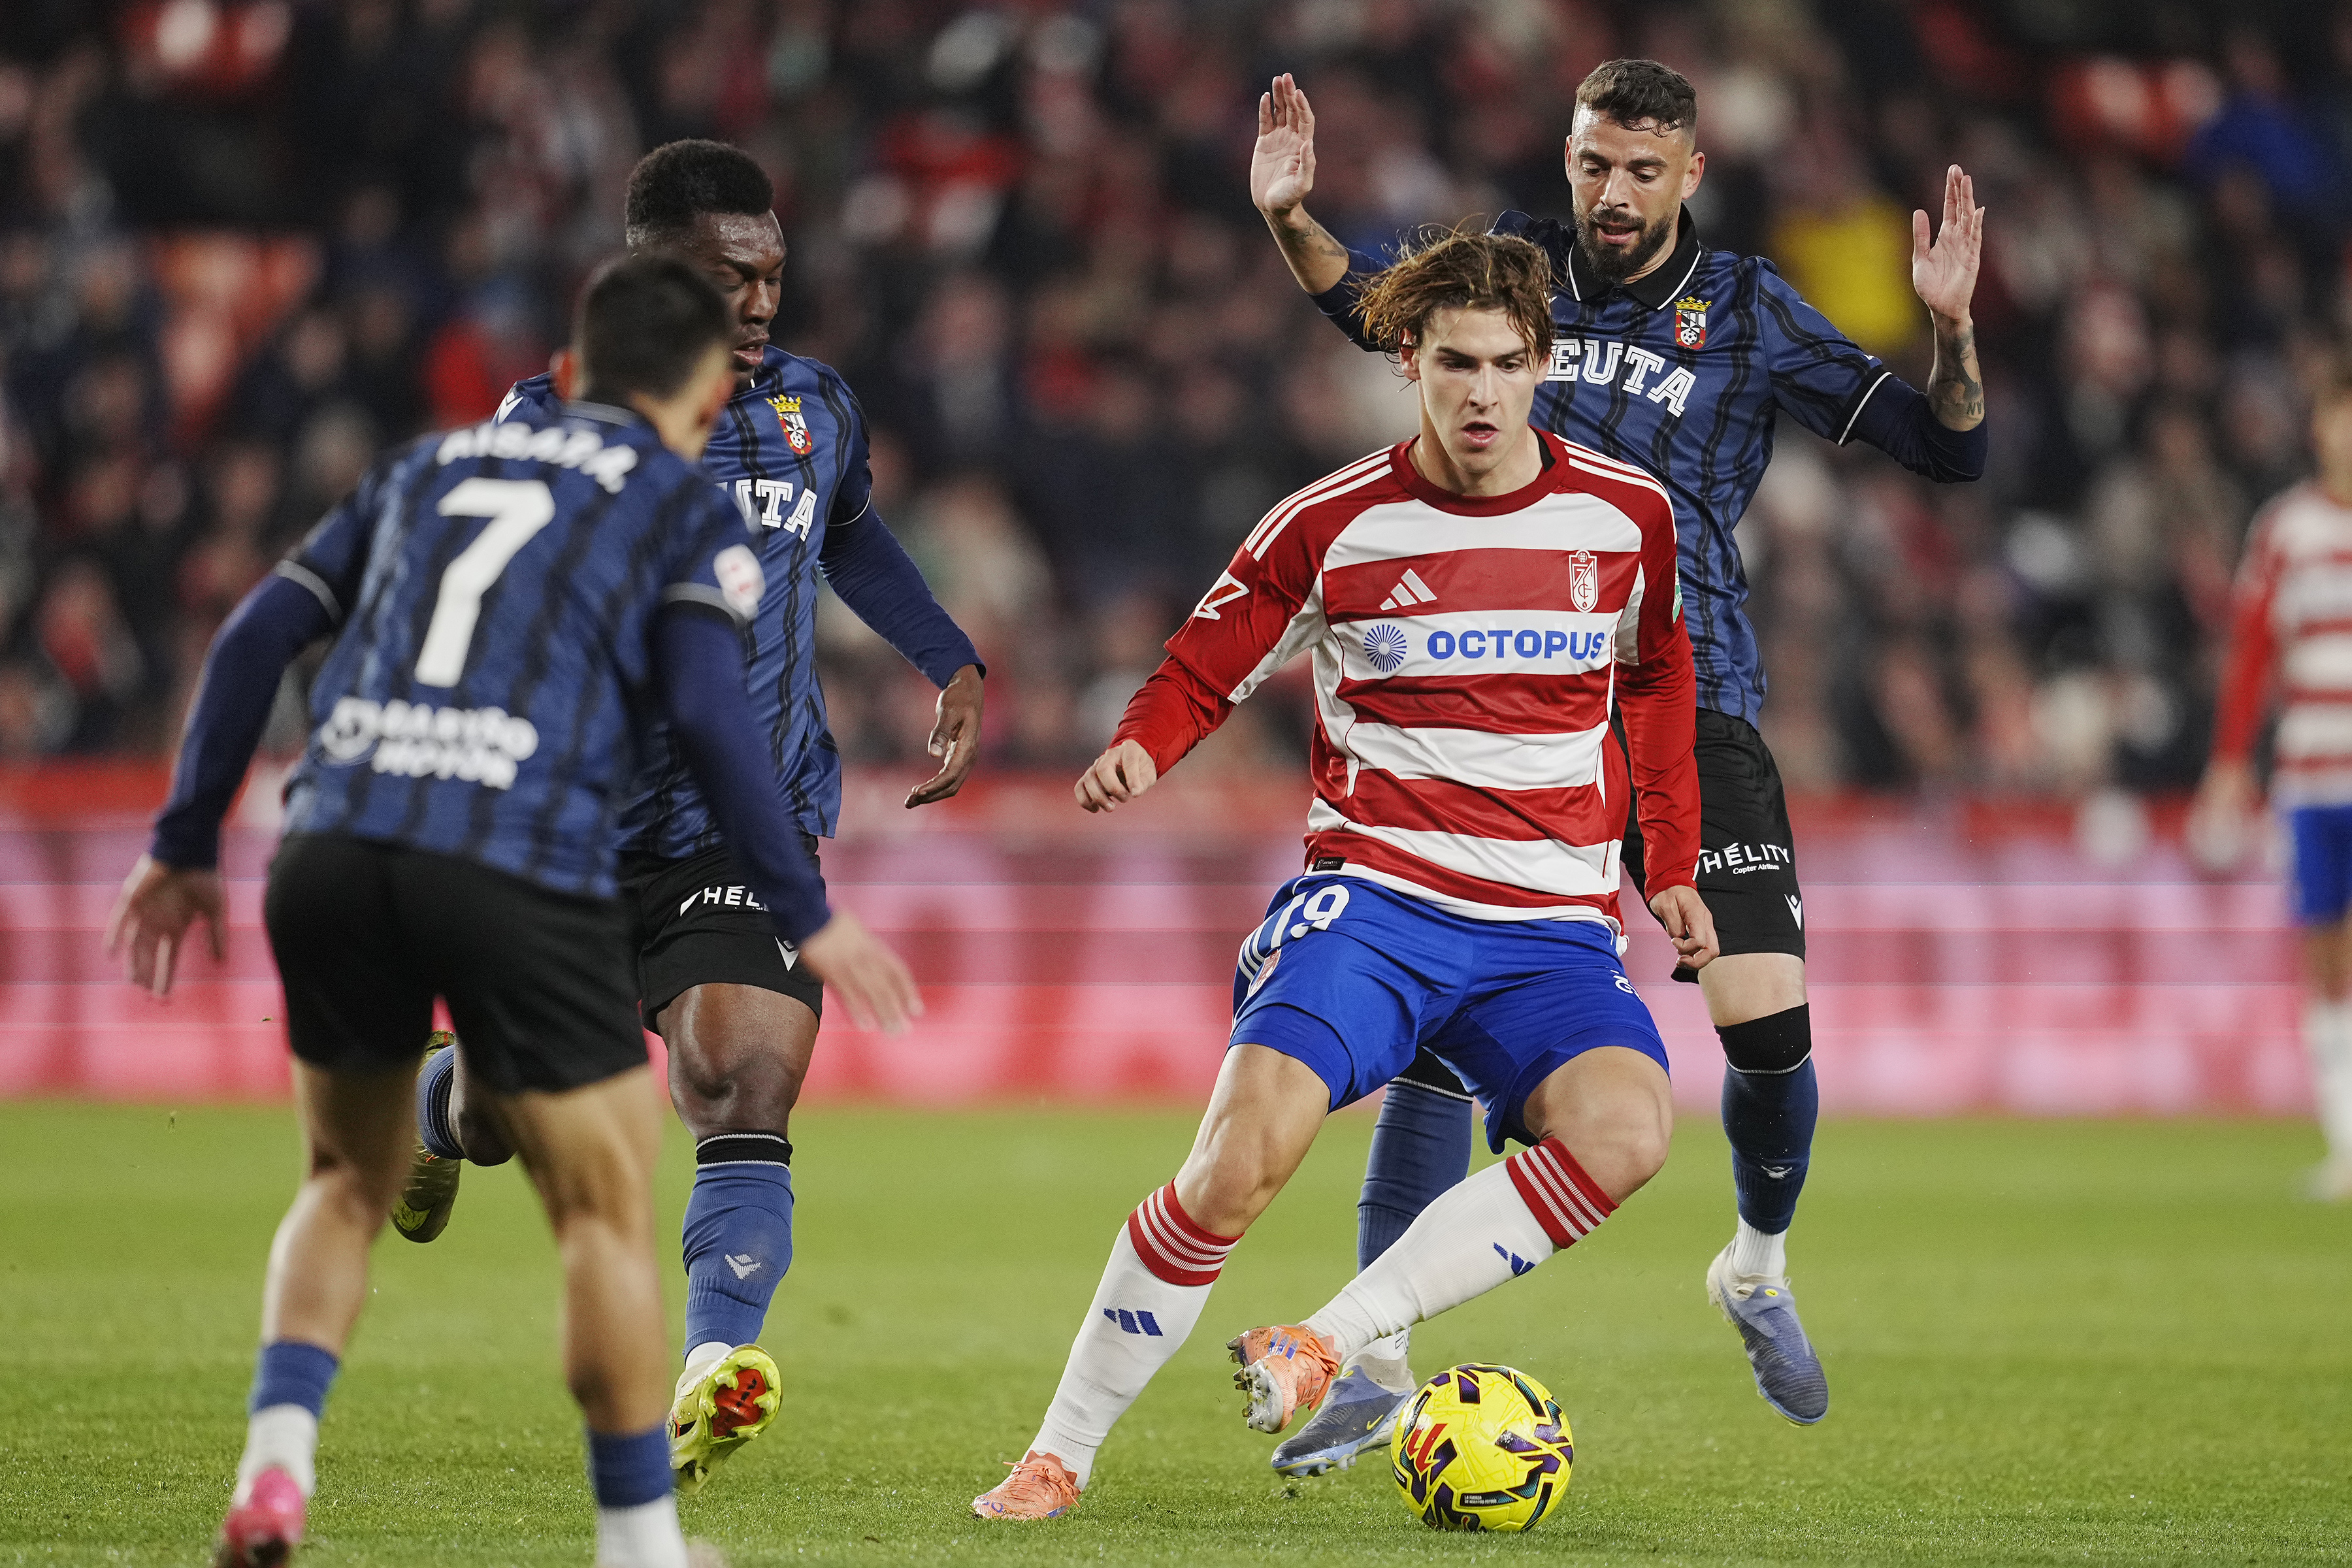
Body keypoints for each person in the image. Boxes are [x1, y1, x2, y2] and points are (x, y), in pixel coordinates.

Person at [104, 255, 921, 1568]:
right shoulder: (680, 509)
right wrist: (805, 904)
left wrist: (184, 840)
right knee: (599, 1206)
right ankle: (641, 1542)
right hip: (507, 846)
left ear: (576, 370)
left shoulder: (428, 466)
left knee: (338, 1183)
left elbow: (258, 635)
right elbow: (717, 718)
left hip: (332, 840)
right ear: (710, 388)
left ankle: (273, 1475)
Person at [1245, 57, 1989, 1454]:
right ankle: (1372, 1351)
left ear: (1691, 174)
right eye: (1596, 164)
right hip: (1522, 706)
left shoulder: (1754, 313)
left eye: (1644, 170)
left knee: (1767, 1031)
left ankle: (1754, 1264)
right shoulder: (1514, 274)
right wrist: (1293, 220)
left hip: (1691, 701)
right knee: (1443, 1046)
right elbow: (1374, 306)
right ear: (1571, 157)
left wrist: (1949, 336)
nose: (1615, 194)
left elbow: (1949, 451)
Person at [972, 229, 1716, 1521]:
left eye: (1503, 364)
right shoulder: (1332, 523)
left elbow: (1655, 678)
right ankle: (1061, 1452)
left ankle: (1330, 1339)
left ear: (1542, 363)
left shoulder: (1625, 515)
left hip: (1548, 930)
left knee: (1632, 1128)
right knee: (1239, 1162)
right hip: (1376, 902)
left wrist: (1676, 860)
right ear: (1409, 366)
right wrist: (1145, 749)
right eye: (1450, 364)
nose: (1479, 393)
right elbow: (1208, 660)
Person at [395, 140, 986, 1495]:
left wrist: (947, 656)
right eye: (733, 276)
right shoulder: (550, 421)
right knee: (510, 1120)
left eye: (775, 273)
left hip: (747, 817)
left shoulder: (812, 409)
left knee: (741, 1072)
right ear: (649, 273)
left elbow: (849, 533)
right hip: (568, 833)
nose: (765, 301)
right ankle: (444, 1103)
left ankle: (713, 1366)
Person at [2191, 356, 2352, 1202]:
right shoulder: (2287, 529)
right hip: (2316, 778)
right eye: (2340, 413)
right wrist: (2228, 764)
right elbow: (2251, 655)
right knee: (2326, 954)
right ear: (2319, 424)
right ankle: (2346, 1142)